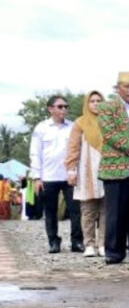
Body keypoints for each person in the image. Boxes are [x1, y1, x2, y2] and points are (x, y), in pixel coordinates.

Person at [30, 95, 84, 254]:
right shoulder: (41, 128)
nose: (64, 109)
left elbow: (78, 150)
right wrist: (36, 177)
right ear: (50, 109)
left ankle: (77, 241)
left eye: (66, 106)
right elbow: (35, 153)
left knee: (76, 211)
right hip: (49, 176)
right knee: (50, 212)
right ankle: (53, 241)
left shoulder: (73, 126)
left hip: (70, 175)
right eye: (60, 106)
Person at [98, 72, 129, 264]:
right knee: (116, 213)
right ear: (118, 88)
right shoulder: (108, 107)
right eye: (127, 86)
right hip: (116, 167)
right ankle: (114, 253)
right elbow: (110, 134)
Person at [65, 91, 107, 257]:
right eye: (92, 101)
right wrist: (71, 169)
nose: (96, 104)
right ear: (87, 104)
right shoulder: (80, 123)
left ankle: (103, 244)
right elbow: (73, 147)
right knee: (88, 210)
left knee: (106, 209)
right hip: (86, 168)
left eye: (99, 100)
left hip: (106, 168)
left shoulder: (108, 122)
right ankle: (89, 244)